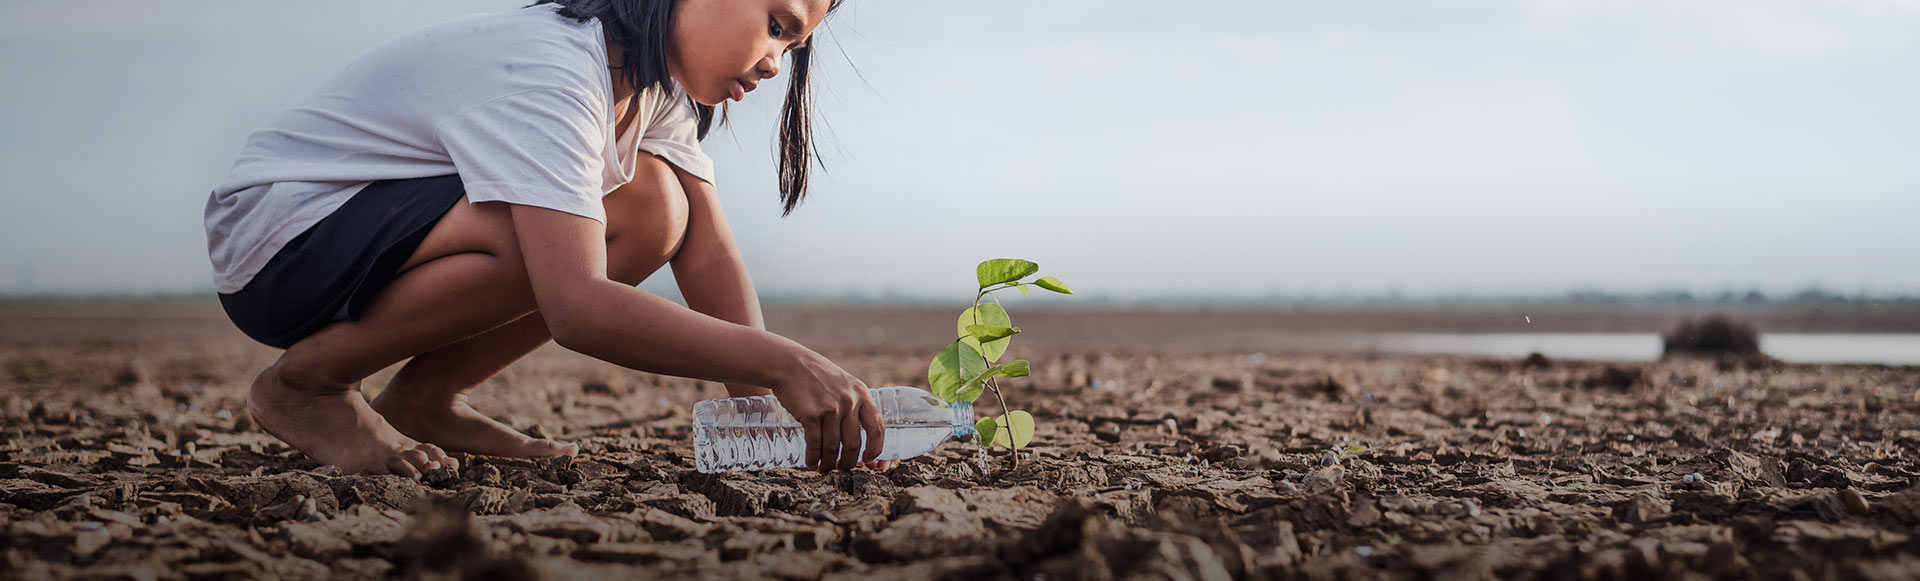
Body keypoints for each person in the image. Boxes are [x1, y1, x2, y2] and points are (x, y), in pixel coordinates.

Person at [202, 0, 888, 478]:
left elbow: (708, 251)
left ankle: (422, 399)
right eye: (775, 25)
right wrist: (784, 363)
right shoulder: (555, 66)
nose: (774, 63)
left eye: (791, 48)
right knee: (558, 227)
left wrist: (764, 419)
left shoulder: (653, 89)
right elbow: (577, 305)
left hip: (361, 233)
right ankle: (309, 383)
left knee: (656, 207)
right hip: (282, 238)